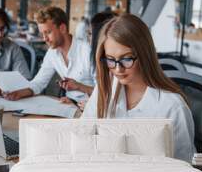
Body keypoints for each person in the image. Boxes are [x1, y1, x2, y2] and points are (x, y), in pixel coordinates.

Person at [82, 13, 195, 162]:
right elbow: (84, 135)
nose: (118, 69)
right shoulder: (106, 88)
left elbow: (183, 167)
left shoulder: (173, 107)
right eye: (110, 59)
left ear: (144, 54)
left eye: (127, 59)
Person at [3, 7, 95, 103]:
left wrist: (80, 87)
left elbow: (105, 91)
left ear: (62, 28)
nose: (44, 39)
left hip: (91, 109)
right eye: (42, 34)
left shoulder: (87, 51)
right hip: (69, 104)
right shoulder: (52, 53)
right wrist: (19, 93)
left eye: (48, 32)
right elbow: (39, 82)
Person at [78, 11, 117, 111]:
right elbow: (102, 94)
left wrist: (91, 106)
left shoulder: (113, 65)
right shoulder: (101, 60)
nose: (88, 38)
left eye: (91, 34)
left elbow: (114, 102)